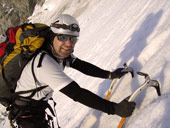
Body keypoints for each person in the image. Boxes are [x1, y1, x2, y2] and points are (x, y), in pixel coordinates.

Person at [10, 14, 135, 128]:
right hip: (26, 118)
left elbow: (82, 66)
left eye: (73, 39)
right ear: (52, 36)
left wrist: (109, 74)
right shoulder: (44, 64)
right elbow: (77, 93)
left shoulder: (59, 54)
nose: (68, 43)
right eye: (62, 37)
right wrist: (114, 108)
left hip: (36, 110)